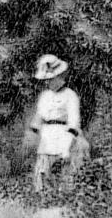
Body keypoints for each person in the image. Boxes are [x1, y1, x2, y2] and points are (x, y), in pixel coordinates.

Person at [23, 53, 82, 184]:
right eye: (46, 80)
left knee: (64, 177)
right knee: (42, 176)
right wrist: (32, 134)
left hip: (63, 139)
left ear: (60, 77)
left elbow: (74, 123)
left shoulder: (70, 95)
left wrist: (67, 147)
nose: (48, 82)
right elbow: (39, 118)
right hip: (46, 140)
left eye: (51, 79)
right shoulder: (45, 96)